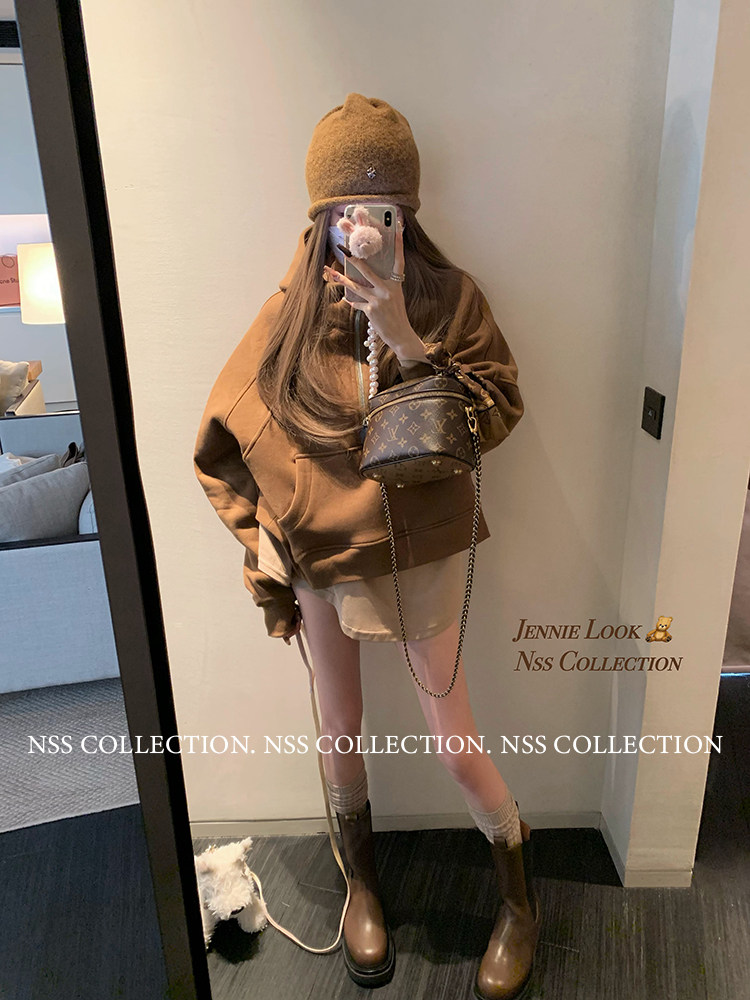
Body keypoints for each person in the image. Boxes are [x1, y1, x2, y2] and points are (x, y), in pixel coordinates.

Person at [193, 93, 540, 1000]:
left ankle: (519, 898)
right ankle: (362, 886)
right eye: (346, 210)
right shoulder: (288, 314)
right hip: (323, 553)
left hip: (425, 548)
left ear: (407, 213)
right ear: (320, 217)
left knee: (454, 742)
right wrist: (270, 549)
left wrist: (406, 338)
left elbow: (498, 410)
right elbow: (224, 439)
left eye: (383, 210)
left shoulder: (450, 297)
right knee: (339, 727)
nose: (365, 228)